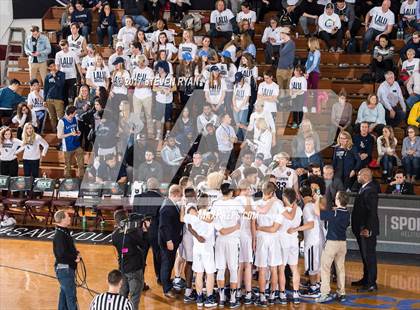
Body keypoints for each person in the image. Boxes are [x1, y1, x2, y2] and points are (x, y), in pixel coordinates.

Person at [211, 182, 243, 307]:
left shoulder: (216, 204)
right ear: (231, 192)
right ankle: (233, 299)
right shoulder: (236, 203)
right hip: (233, 240)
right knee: (233, 269)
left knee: (221, 269)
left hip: (220, 240)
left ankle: (222, 298)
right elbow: (245, 214)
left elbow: (218, 226)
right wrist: (235, 226)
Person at [315, 191, 350, 303]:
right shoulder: (346, 213)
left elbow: (317, 212)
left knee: (325, 268)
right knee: (340, 269)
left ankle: (324, 293)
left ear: (338, 200)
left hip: (332, 243)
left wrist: (317, 199)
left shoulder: (334, 213)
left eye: (336, 197)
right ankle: (341, 293)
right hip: (342, 244)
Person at [112, 210, 149, 310]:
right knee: (134, 297)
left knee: (122, 295)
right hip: (135, 269)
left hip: (122, 268)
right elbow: (144, 245)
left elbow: (119, 249)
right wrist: (145, 232)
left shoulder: (114, 235)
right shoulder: (132, 233)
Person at [351, 168, 380, 292]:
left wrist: (368, 228)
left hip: (366, 229)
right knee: (365, 255)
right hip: (361, 228)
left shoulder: (371, 190)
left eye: (359, 175)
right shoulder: (364, 188)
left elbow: (372, 212)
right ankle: (366, 278)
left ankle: (371, 283)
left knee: (369, 256)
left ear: (366, 176)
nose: (357, 176)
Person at [133, 178, 164, 284]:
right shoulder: (161, 198)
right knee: (158, 256)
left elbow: (134, 216)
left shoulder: (138, 197)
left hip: (141, 232)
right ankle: (159, 278)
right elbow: (161, 219)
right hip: (155, 232)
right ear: (157, 186)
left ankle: (140, 281)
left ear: (147, 186)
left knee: (141, 257)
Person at [158, 185, 184, 298]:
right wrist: (169, 241)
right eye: (180, 195)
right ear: (174, 194)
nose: (181, 197)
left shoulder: (170, 204)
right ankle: (167, 289)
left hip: (172, 239)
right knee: (167, 264)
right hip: (168, 241)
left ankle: (167, 283)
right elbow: (164, 227)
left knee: (169, 263)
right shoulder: (167, 207)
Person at [53, 210, 80, 310]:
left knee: (64, 295)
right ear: (62, 220)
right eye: (68, 216)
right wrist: (74, 258)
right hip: (65, 270)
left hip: (65, 269)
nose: (70, 218)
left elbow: (66, 249)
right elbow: (61, 254)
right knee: (71, 296)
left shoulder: (63, 231)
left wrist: (75, 253)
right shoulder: (59, 235)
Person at [57, 105, 84, 179]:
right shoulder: (61, 121)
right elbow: (59, 136)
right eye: (75, 113)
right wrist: (70, 134)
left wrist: (78, 132)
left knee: (81, 164)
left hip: (76, 144)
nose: (76, 114)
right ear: (70, 114)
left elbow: (77, 129)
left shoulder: (75, 118)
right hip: (67, 146)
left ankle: (81, 178)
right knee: (67, 165)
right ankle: (67, 180)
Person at [55, 39, 82, 106]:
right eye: (62, 47)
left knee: (73, 94)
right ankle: (66, 109)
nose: (64, 48)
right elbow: (57, 66)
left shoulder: (73, 53)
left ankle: (74, 107)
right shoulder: (58, 54)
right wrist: (57, 77)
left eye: (65, 46)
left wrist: (81, 76)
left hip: (72, 76)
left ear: (68, 45)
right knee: (64, 94)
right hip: (63, 76)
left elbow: (78, 65)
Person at [276, 26, 295, 92]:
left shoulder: (290, 43)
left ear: (284, 33)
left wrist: (281, 43)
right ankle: (281, 102)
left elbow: (281, 53)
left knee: (286, 89)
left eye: (280, 33)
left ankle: (285, 102)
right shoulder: (285, 43)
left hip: (286, 69)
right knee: (280, 89)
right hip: (280, 68)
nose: (279, 35)